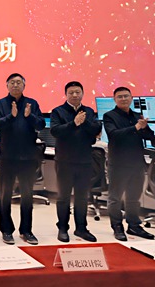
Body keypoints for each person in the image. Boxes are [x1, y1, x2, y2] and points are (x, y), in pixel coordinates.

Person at [0, 73, 45, 245]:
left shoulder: (32, 104)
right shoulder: (0, 104)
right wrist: (11, 116)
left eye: (18, 82)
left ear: (24, 86)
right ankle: (6, 230)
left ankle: (26, 230)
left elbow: (41, 125)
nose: (15, 85)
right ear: (7, 85)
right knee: (5, 195)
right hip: (8, 156)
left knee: (27, 195)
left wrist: (30, 116)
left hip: (28, 157)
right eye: (12, 82)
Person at [50, 81, 101, 243]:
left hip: (85, 160)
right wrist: (74, 124)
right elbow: (55, 131)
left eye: (77, 92)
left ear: (82, 93)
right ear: (66, 94)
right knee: (63, 197)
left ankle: (81, 228)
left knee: (82, 197)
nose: (74, 95)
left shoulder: (89, 111)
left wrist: (84, 122)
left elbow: (96, 130)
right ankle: (62, 228)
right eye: (71, 92)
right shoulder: (58, 112)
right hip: (64, 161)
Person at [103, 86, 155, 241]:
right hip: (118, 164)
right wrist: (136, 127)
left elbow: (149, 136)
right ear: (114, 99)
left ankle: (134, 225)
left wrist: (144, 128)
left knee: (134, 197)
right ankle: (117, 227)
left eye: (126, 96)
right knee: (115, 198)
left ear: (131, 98)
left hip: (137, 163)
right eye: (120, 96)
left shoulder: (137, 115)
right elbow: (114, 135)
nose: (123, 99)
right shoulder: (109, 116)